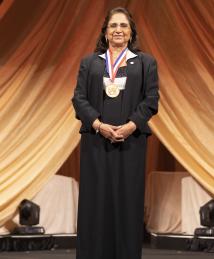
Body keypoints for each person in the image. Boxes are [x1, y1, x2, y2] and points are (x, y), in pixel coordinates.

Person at [72, 7, 159, 259]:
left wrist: (131, 125)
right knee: (95, 203)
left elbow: (151, 99)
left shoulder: (145, 63)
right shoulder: (90, 63)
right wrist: (99, 125)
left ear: (131, 32)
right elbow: (78, 99)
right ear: (105, 32)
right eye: (113, 26)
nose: (118, 30)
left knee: (127, 203)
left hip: (131, 142)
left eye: (123, 26)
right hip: (96, 141)